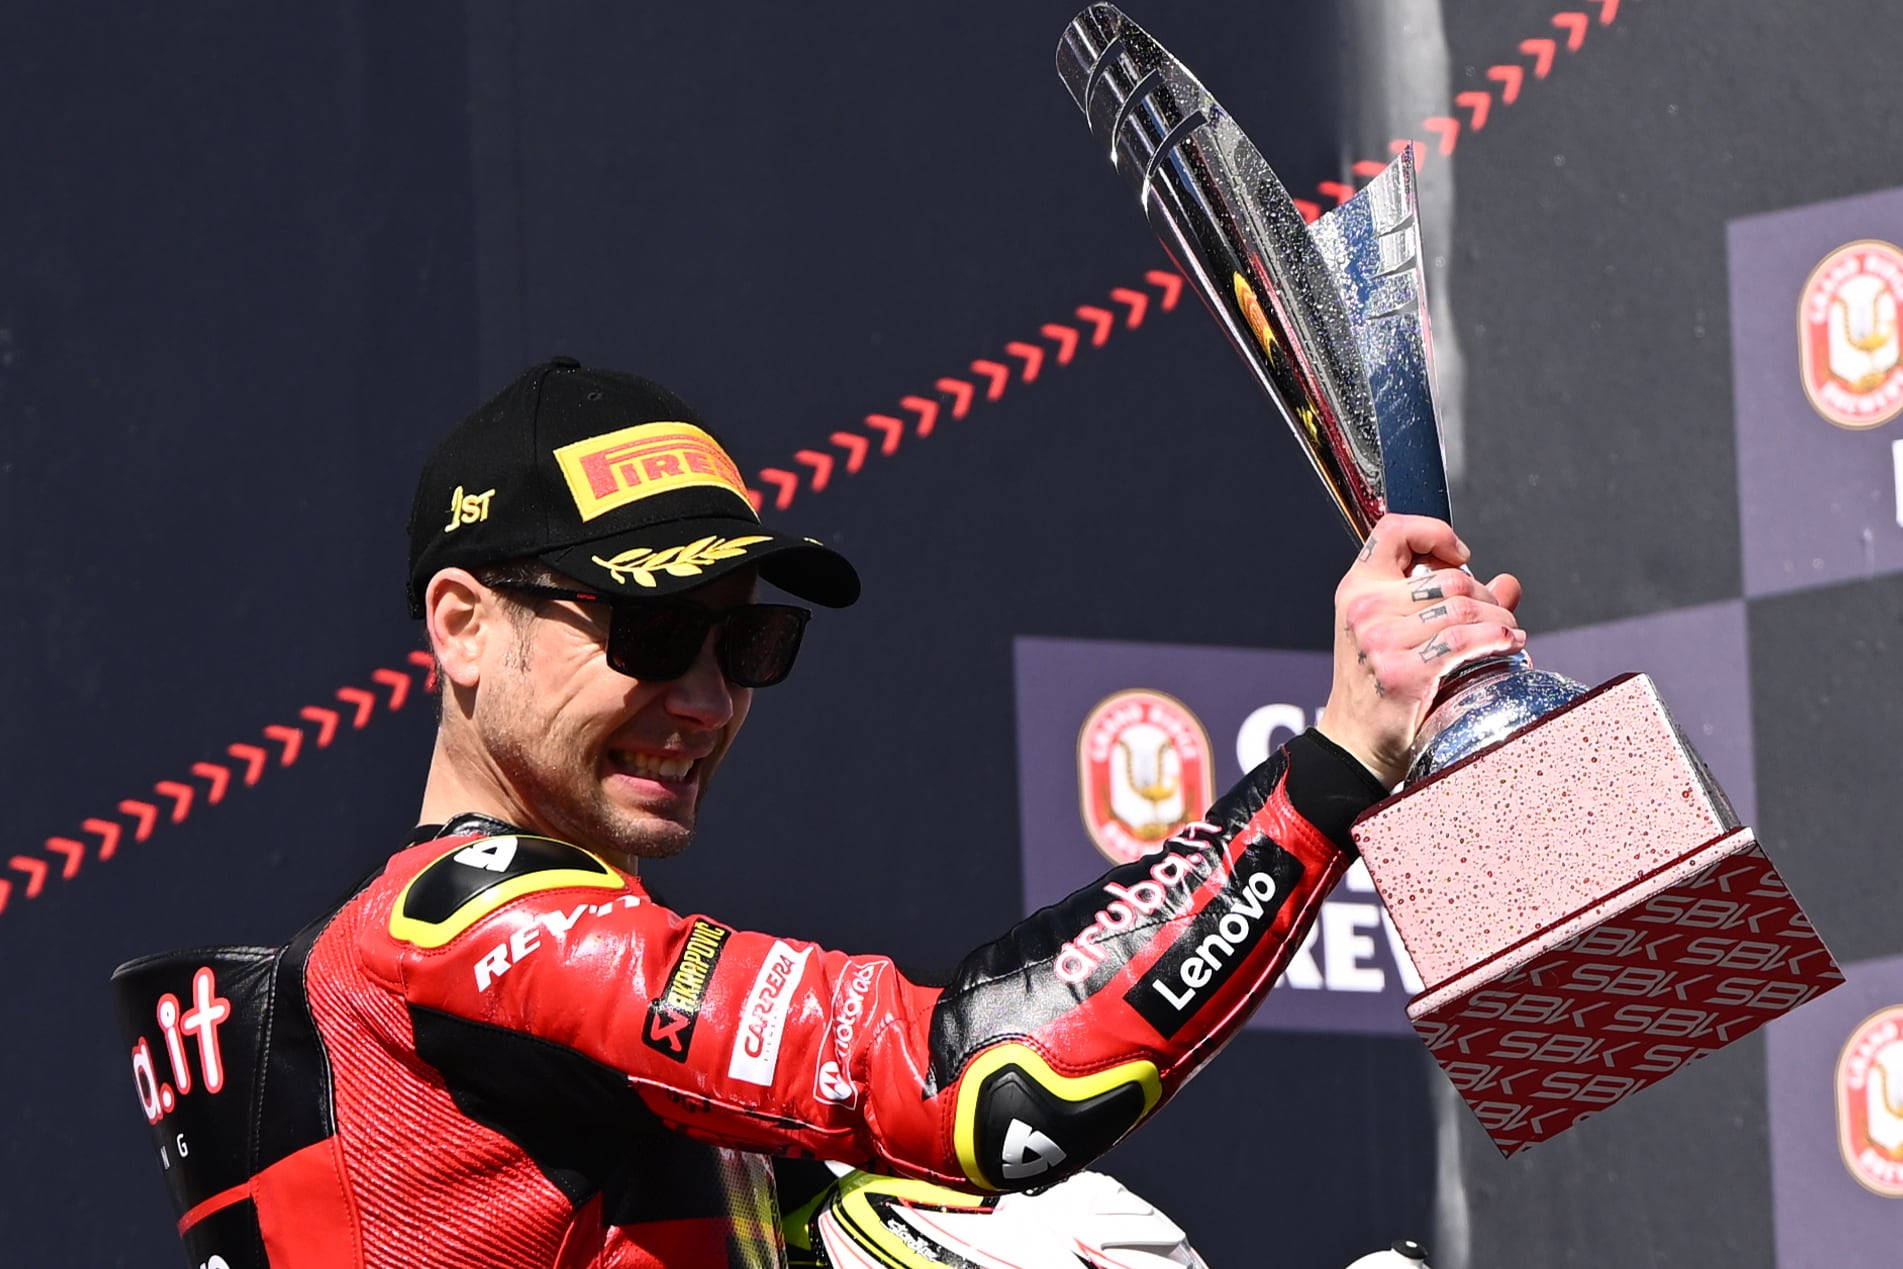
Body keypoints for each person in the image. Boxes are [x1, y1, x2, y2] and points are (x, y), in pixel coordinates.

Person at [111, 358, 1525, 1268]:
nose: (710, 697)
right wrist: (1338, 760)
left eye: (749, 644)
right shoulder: (463, 937)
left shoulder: (506, 1006)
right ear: (465, 626)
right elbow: (999, 1086)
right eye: (658, 632)